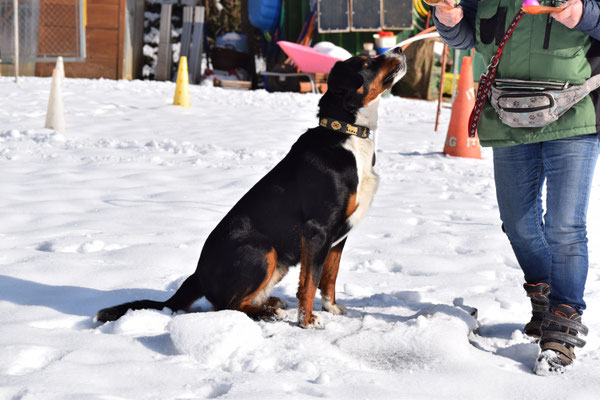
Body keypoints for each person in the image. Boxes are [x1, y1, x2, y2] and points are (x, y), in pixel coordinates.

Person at [431, 0, 600, 374]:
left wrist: (583, 14)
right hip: (507, 112)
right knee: (519, 224)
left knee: (564, 227)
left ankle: (563, 316)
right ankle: (545, 294)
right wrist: (449, 19)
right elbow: (467, 38)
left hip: (575, 109)